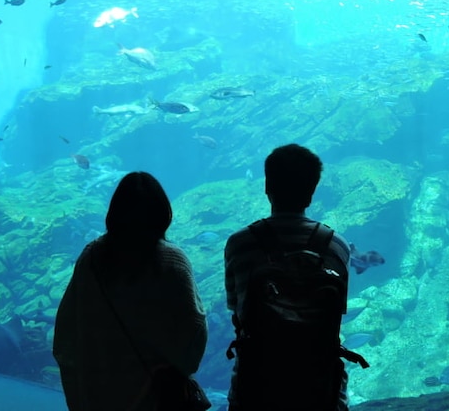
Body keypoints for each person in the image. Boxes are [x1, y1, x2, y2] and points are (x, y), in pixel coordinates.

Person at [53, 171, 208, 411]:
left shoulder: (92, 257)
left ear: (114, 212)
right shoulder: (173, 261)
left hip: (97, 396)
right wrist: (180, 369)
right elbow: (194, 330)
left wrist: (78, 394)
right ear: (162, 214)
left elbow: (66, 334)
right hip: (155, 398)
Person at [224, 144, 354, 411]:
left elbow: (237, 310)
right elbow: (336, 315)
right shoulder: (337, 246)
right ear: (312, 191)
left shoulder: (240, 244)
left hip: (256, 388)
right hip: (322, 389)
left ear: (267, 187)